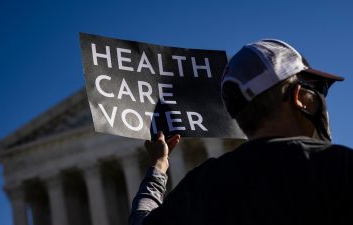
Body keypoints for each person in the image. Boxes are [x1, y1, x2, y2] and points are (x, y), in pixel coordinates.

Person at [129, 39, 353, 225]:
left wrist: (158, 167)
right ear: (299, 97)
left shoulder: (203, 185)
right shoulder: (338, 166)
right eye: (318, 89)